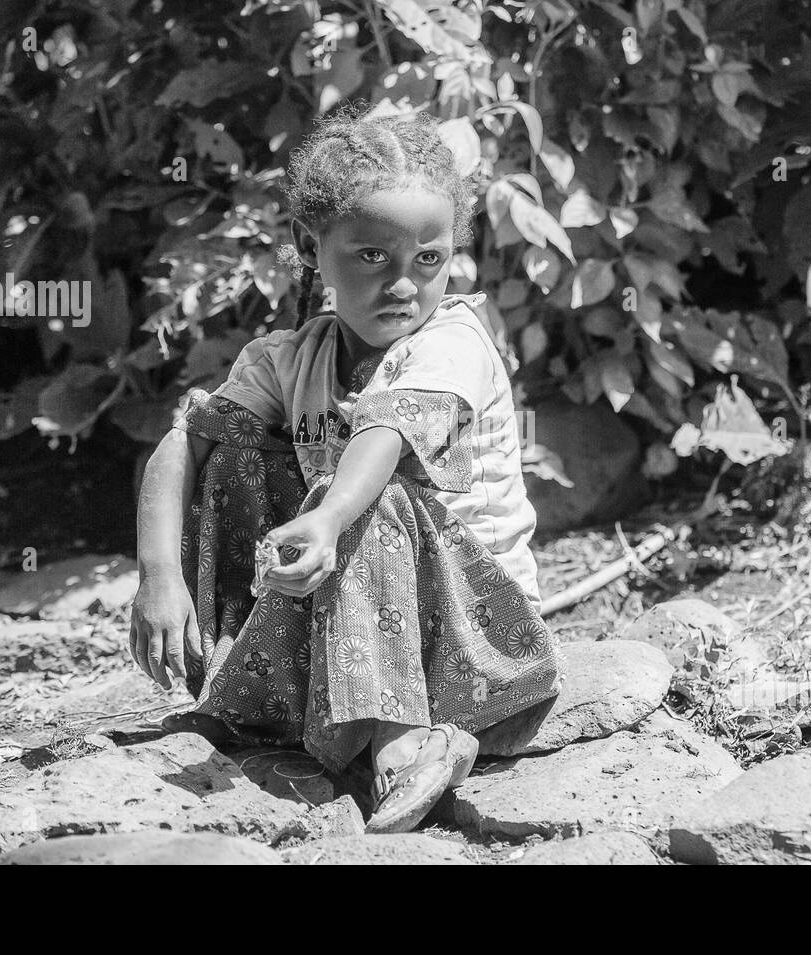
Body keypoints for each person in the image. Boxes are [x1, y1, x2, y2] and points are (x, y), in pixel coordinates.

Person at [129, 101, 563, 833]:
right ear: (311, 245)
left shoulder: (455, 342)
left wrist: (327, 517)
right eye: (372, 257)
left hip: (478, 645)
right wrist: (157, 577)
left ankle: (405, 742)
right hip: (356, 621)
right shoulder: (288, 357)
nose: (403, 284)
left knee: (369, 494)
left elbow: (386, 434)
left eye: (429, 259)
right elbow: (183, 446)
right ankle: (257, 691)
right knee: (231, 450)